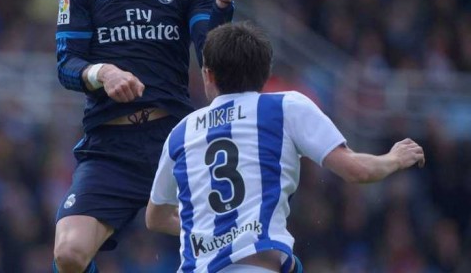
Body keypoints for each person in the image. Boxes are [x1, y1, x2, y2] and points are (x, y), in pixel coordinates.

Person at [53, 0, 254, 273]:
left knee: (240, 245)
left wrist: (222, 5)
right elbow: (67, 65)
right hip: (111, 148)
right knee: (69, 255)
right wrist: (104, 73)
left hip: (175, 143)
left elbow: (211, 58)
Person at [146, 22, 426, 273]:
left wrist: (211, 234)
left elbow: (155, 218)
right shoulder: (284, 106)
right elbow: (357, 171)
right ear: (265, 73)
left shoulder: (181, 132)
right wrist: (394, 158)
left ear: (208, 75)